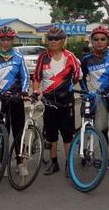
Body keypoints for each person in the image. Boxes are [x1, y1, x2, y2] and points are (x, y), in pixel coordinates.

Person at [33, 26, 82, 176]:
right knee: (51, 134)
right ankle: (54, 163)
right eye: (50, 38)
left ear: (63, 40)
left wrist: (65, 87)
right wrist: (36, 91)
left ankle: (69, 164)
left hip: (66, 102)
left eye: (56, 39)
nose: (53, 41)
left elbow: (77, 77)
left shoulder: (70, 57)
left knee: (67, 135)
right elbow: (37, 77)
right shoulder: (43, 57)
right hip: (49, 102)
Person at [80, 25, 109, 173]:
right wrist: (86, 91)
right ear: (91, 41)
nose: (99, 42)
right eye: (96, 39)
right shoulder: (86, 59)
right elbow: (81, 77)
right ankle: (105, 159)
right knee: (102, 131)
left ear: (107, 40)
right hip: (98, 99)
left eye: (102, 39)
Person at [0, 26, 29, 155]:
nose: (5, 42)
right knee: (1, 127)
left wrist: (24, 91)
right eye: (3, 40)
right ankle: (0, 154)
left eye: (8, 39)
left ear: (12, 40)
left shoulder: (19, 57)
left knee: (18, 129)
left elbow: (25, 76)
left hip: (15, 97)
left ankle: (19, 158)